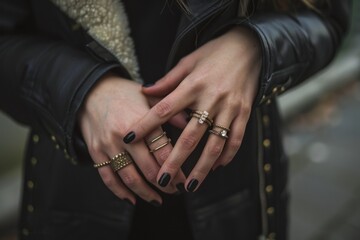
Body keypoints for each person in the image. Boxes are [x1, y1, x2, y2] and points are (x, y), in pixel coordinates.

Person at [0, 0, 350, 239]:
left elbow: (326, 14)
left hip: (238, 194)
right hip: (73, 194)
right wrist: (83, 91)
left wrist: (254, 48)